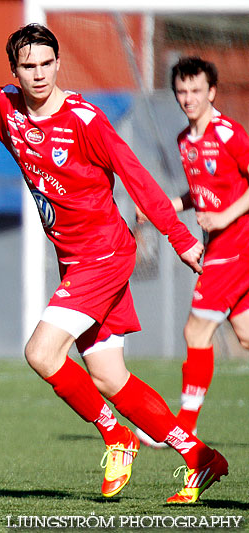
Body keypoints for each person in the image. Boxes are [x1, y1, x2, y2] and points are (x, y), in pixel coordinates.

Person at [0, 13, 227, 504]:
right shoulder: (5, 109)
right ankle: (200, 457)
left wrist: (181, 237)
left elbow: (138, 180)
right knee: (110, 376)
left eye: (48, 62)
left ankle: (118, 437)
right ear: (15, 71)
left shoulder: (85, 121)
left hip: (104, 255)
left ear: (58, 63)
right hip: (76, 260)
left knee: (42, 353)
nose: (40, 73)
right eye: (29, 65)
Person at [135, 57, 249, 449]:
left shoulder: (229, 134)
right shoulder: (186, 141)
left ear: (211, 92)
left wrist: (223, 217)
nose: (189, 98)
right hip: (221, 245)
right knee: (246, 335)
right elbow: (200, 193)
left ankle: (183, 425)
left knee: (194, 330)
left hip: (237, 245)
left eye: (196, 90)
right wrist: (167, 204)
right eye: (182, 92)